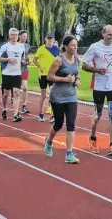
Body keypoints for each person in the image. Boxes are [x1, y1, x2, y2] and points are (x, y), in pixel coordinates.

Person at [82, 25, 112, 156]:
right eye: (109, 34)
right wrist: (96, 70)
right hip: (99, 86)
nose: (111, 37)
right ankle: (93, 137)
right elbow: (84, 65)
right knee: (98, 116)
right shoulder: (94, 47)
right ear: (103, 34)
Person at [44, 35, 81, 163]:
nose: (75, 47)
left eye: (76, 45)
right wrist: (65, 79)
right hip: (58, 97)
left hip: (71, 96)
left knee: (71, 124)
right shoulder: (58, 60)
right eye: (72, 45)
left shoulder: (77, 59)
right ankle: (49, 141)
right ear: (66, 47)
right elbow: (49, 77)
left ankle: (69, 153)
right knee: (59, 123)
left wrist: (77, 81)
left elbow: (77, 75)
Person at [0, 28, 25, 122]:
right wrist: (8, 59)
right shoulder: (5, 46)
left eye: (16, 35)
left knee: (16, 93)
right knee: (6, 94)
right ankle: (4, 108)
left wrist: (24, 61)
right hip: (7, 73)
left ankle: (16, 114)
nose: (14, 37)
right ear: (9, 35)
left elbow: (23, 58)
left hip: (17, 73)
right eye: (12, 35)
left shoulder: (21, 46)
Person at [33, 33, 58, 122]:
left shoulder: (56, 49)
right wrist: (40, 67)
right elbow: (34, 60)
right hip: (43, 75)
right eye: (48, 38)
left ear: (54, 39)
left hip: (52, 75)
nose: (50, 40)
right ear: (45, 39)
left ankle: (53, 115)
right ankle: (40, 113)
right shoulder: (41, 48)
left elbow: (59, 60)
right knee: (43, 95)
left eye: (51, 38)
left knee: (53, 94)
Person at [19, 30, 31, 114]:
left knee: (25, 88)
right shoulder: (15, 45)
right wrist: (20, 60)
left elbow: (26, 56)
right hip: (15, 69)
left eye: (26, 36)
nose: (25, 38)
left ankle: (24, 106)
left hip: (24, 69)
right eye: (23, 36)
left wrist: (28, 60)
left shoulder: (27, 46)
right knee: (15, 88)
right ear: (19, 36)